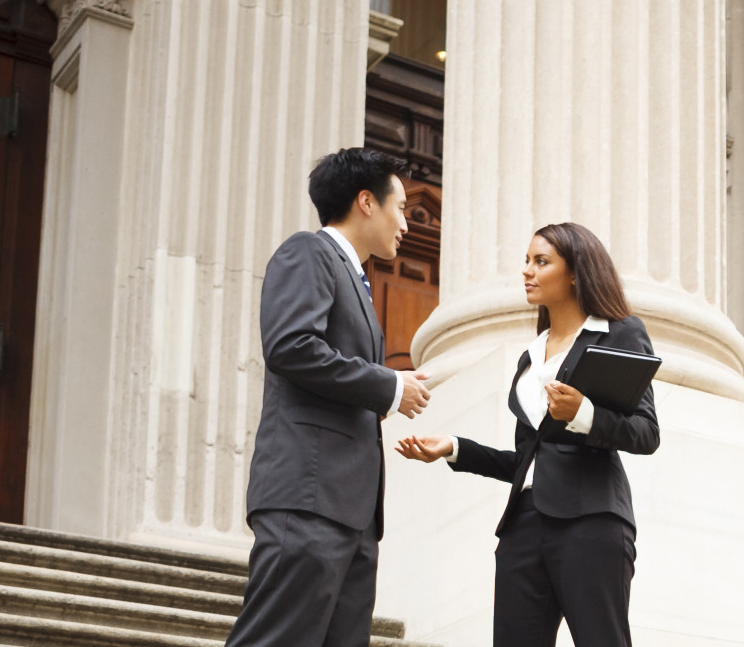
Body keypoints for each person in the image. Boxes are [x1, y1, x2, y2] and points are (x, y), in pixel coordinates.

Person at [396, 222, 659, 647]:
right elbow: (529, 460)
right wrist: (455, 448)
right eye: (526, 261)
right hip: (523, 524)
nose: (527, 271)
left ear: (575, 271)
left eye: (541, 261)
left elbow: (646, 433)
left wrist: (584, 413)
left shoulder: (619, 333)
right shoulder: (530, 357)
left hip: (591, 519)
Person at [225, 147, 432, 647]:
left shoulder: (358, 281)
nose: (407, 220)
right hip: (309, 497)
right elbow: (291, 347)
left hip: (352, 511)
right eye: (400, 206)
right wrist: (388, 385)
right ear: (366, 202)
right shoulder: (308, 252)